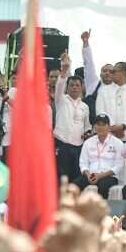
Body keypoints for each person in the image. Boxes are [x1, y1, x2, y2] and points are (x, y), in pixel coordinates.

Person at [54, 52, 91, 184]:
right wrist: (64, 71)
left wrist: (88, 134)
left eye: (77, 85)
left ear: (82, 88)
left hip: (78, 146)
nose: (74, 87)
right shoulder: (61, 99)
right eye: (71, 85)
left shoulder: (85, 106)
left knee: (75, 177)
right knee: (61, 177)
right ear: (67, 87)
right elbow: (59, 85)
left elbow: (87, 126)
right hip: (61, 144)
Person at [74, 114, 124, 199]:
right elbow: (83, 163)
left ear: (109, 127)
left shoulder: (118, 143)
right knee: (74, 186)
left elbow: (118, 166)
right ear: (94, 127)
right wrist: (88, 175)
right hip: (91, 174)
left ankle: (101, 207)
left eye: (104, 125)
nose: (101, 127)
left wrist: (102, 175)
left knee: (102, 186)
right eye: (98, 125)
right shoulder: (88, 143)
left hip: (109, 176)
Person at [96, 62, 126, 141]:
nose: (111, 74)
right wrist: (113, 128)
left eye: (113, 72)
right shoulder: (103, 91)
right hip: (109, 136)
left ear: (123, 73)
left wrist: (123, 126)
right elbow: (100, 111)